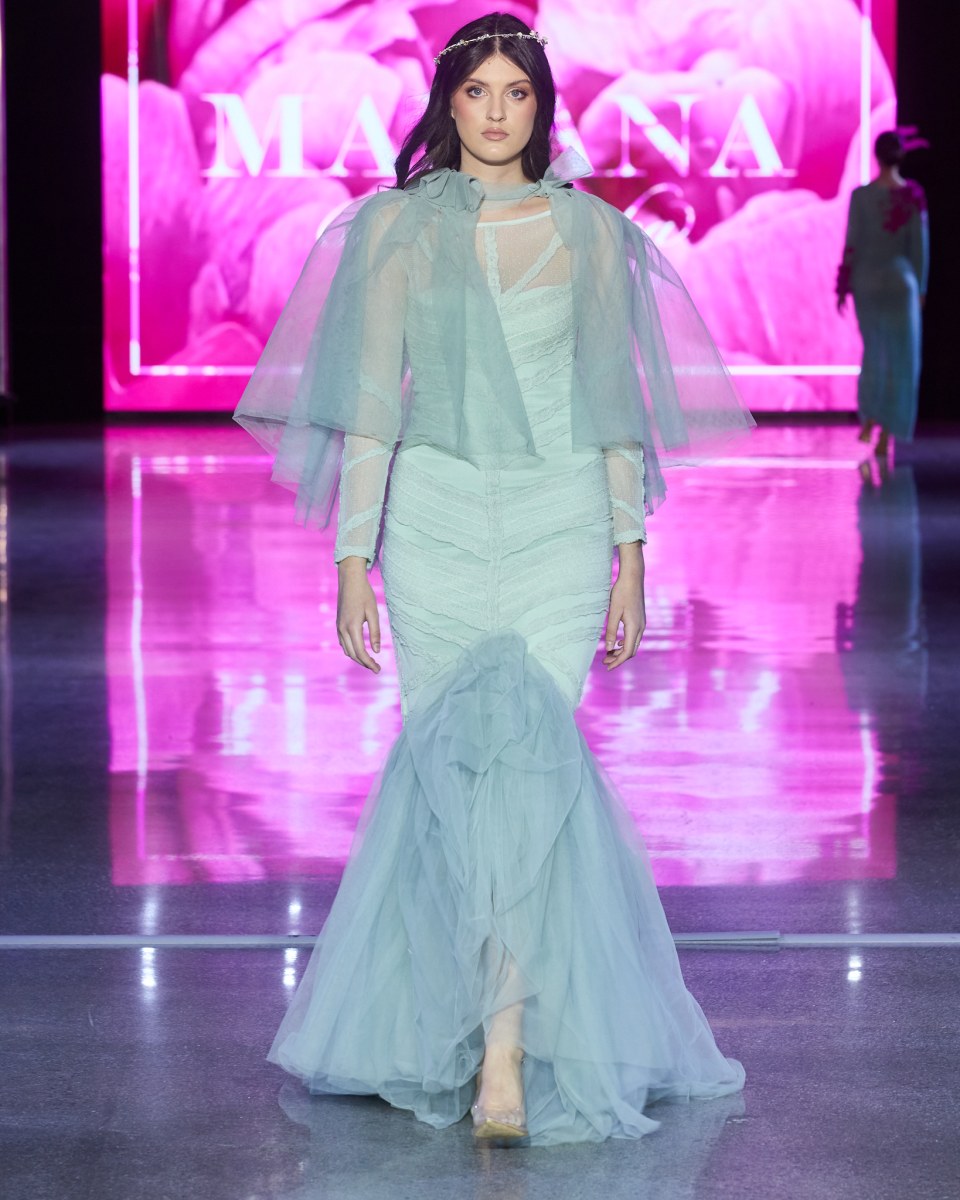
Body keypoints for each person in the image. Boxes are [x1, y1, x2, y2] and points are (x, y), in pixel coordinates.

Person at [234, 12, 751, 1148]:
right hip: (435, 521)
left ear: (541, 106)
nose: (498, 111)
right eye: (479, 92)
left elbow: (613, 406)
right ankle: (474, 1018)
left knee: (526, 769)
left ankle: (505, 1049)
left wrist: (630, 555)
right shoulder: (395, 228)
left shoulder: (592, 233)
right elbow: (371, 407)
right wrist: (353, 558)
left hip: (561, 518)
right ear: (450, 103)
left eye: (518, 92)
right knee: (454, 774)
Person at [837, 130, 929, 457]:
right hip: (900, 283)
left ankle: (869, 420)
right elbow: (920, 247)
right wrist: (921, 289)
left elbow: (852, 243)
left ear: (876, 156)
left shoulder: (861, 196)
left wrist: (845, 284)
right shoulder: (912, 196)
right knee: (901, 359)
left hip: (867, 282)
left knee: (873, 352)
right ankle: (888, 430)